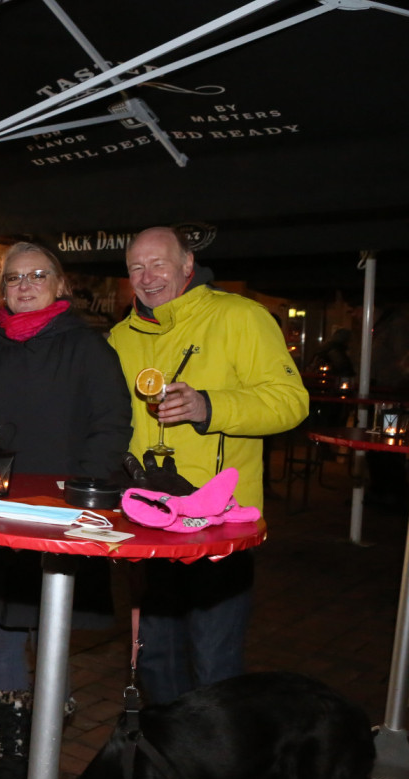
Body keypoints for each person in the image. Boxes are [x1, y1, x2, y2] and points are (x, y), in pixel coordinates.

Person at [0, 243, 132, 779]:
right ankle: (12, 749)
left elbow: (112, 425)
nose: (24, 285)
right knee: (3, 628)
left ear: (60, 284)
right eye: (14, 277)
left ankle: (46, 736)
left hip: (60, 514)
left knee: (52, 631)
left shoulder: (89, 349)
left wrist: (80, 495)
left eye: (37, 275)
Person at [110, 227, 308, 706]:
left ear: (187, 264)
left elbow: (291, 403)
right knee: (155, 659)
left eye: (158, 264)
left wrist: (208, 407)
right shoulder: (120, 337)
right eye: (136, 267)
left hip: (220, 525)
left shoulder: (240, 317)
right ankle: (174, 766)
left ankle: (218, 772)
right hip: (151, 519)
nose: (147, 277)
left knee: (215, 663)